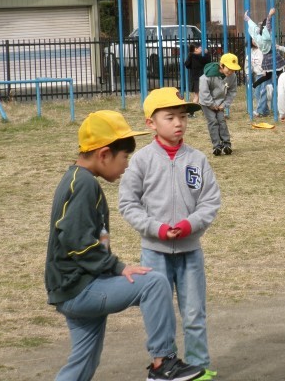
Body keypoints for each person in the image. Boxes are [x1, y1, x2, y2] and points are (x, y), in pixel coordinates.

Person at [45, 110, 208, 381]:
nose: (126, 165)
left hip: (73, 286)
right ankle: (163, 363)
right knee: (154, 283)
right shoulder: (83, 185)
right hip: (79, 288)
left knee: (83, 364)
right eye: (124, 157)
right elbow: (77, 242)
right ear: (104, 154)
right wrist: (117, 267)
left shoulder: (77, 179)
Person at [119, 87, 221, 375]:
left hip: (190, 251)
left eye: (183, 117)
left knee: (194, 314)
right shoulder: (141, 160)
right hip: (154, 253)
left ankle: (199, 370)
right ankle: (165, 366)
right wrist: (157, 228)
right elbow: (128, 203)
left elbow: (210, 201)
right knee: (159, 314)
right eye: (170, 117)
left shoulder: (197, 159)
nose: (179, 123)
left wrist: (190, 224)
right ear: (150, 123)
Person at [198, 53, 242, 156]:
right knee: (213, 122)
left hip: (220, 103)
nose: (231, 72)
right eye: (229, 69)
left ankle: (226, 144)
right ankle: (216, 146)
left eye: (233, 70)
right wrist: (211, 104)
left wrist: (224, 104)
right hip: (207, 103)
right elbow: (204, 91)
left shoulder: (232, 76)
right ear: (221, 65)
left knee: (222, 121)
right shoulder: (207, 76)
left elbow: (232, 91)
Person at [247, 38, 268, 117]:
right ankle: (265, 110)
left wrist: (265, 70)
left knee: (263, 92)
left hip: (264, 74)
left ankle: (259, 110)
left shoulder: (262, 49)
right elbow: (250, 62)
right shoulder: (252, 51)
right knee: (257, 93)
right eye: (253, 39)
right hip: (258, 74)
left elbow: (266, 60)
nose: (255, 41)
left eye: (256, 39)